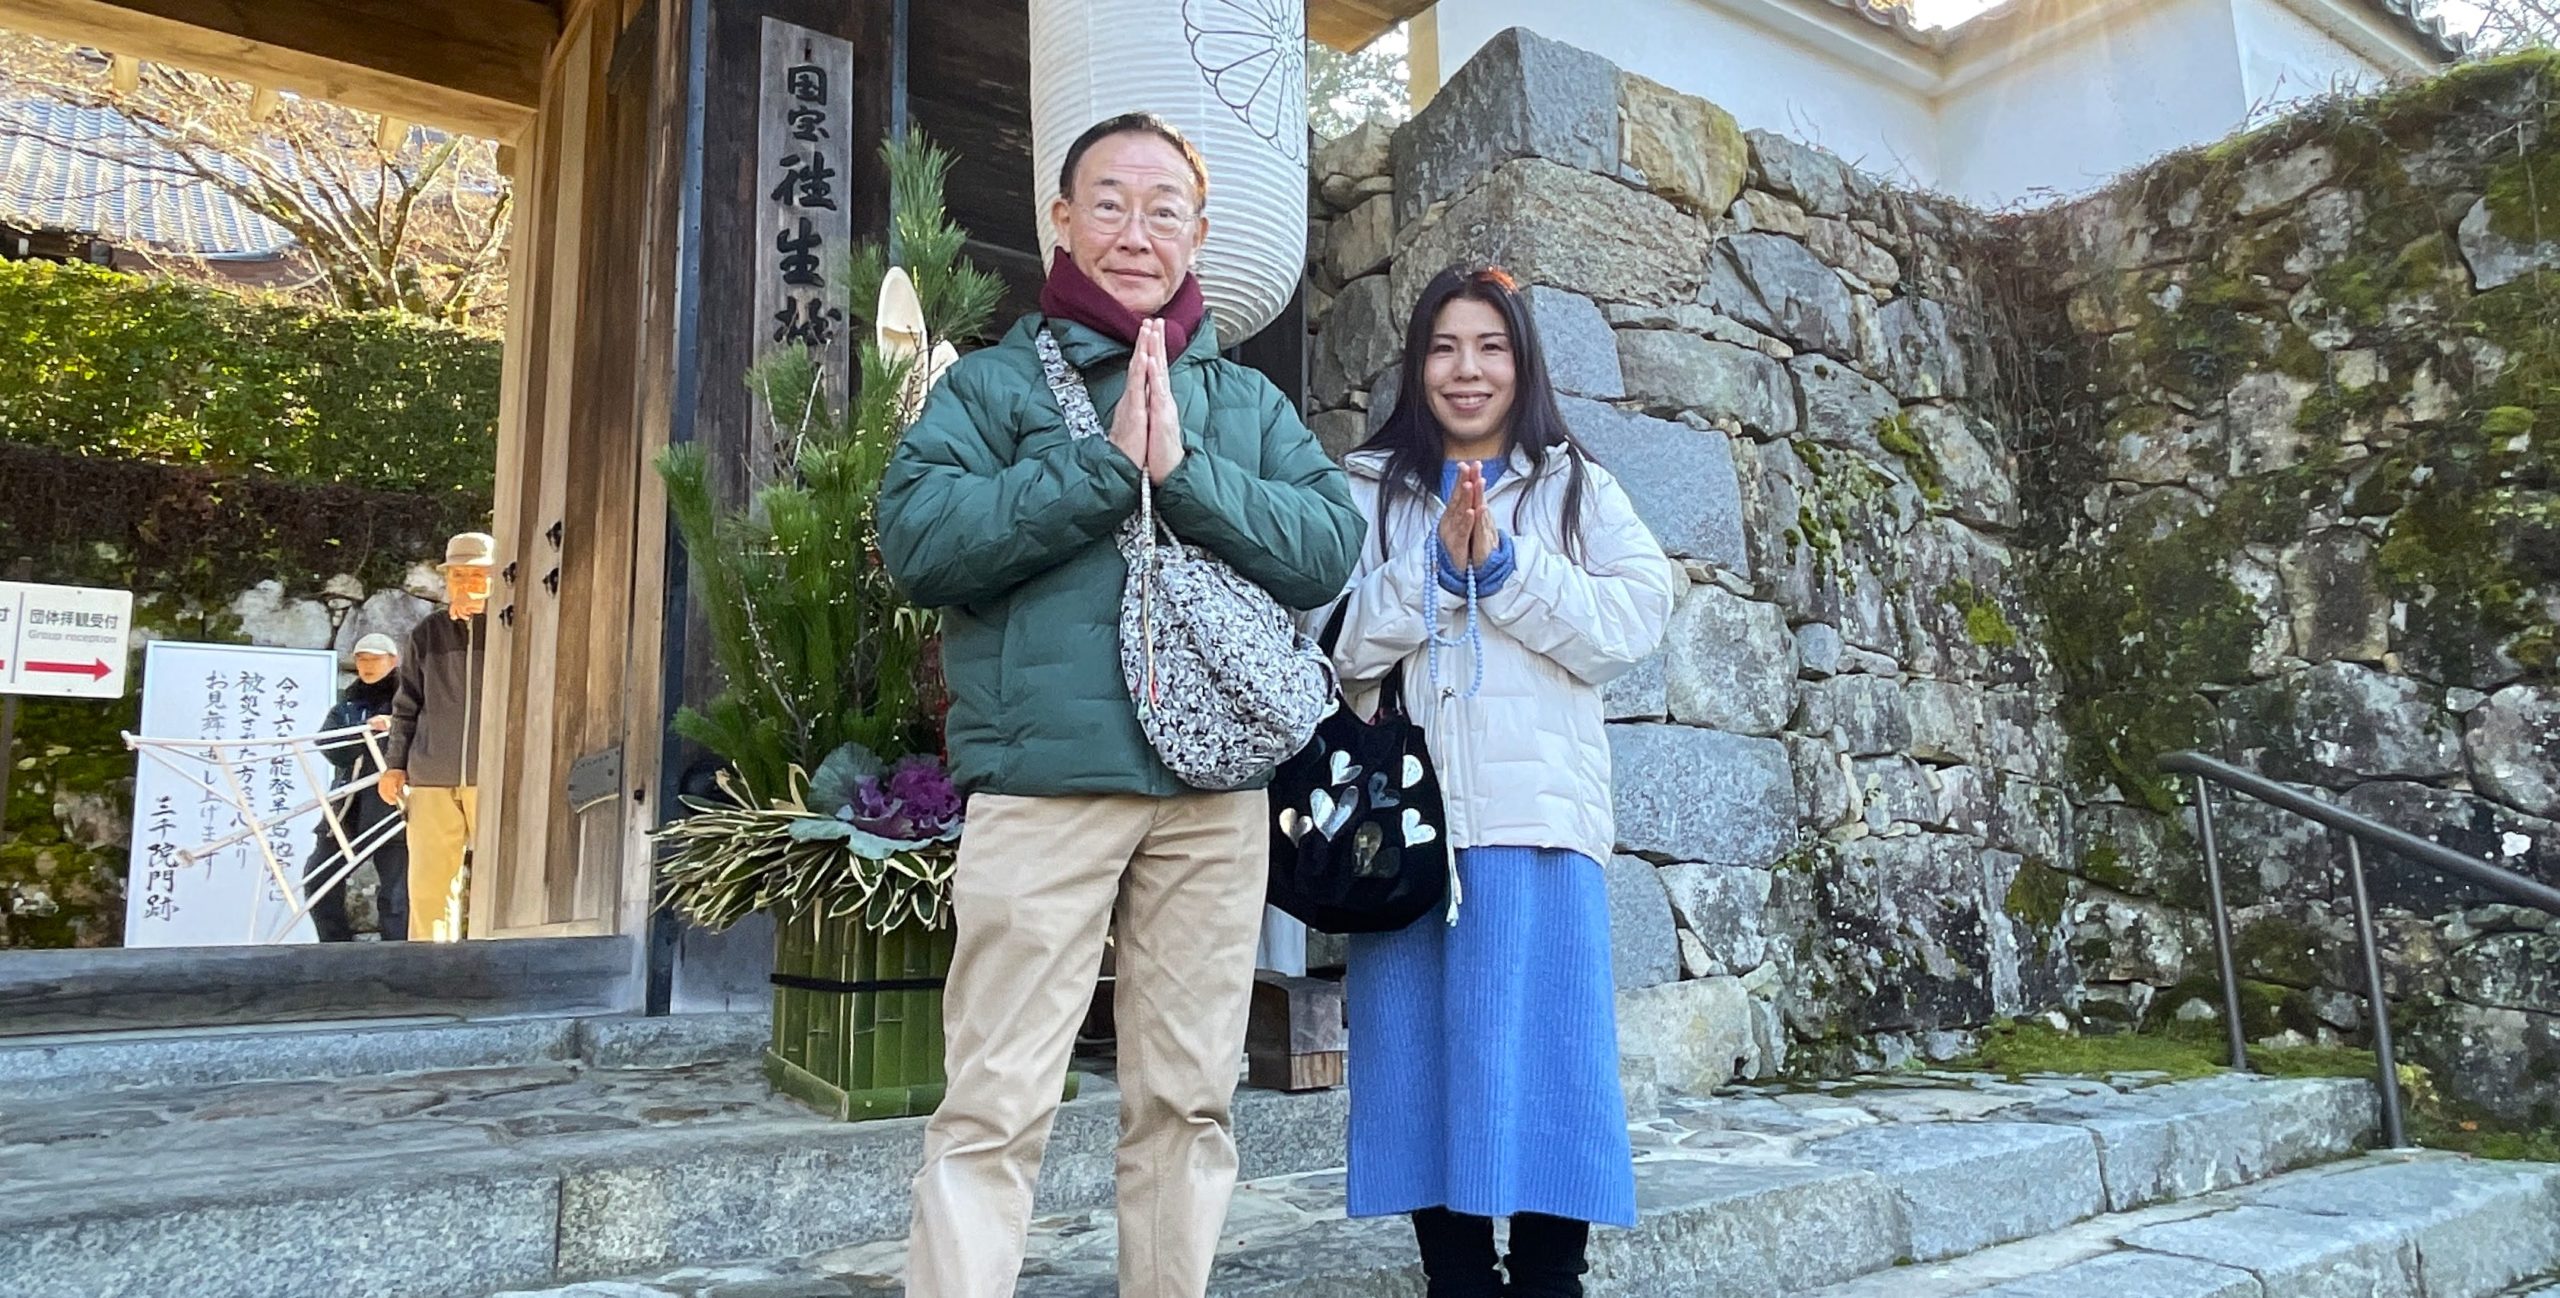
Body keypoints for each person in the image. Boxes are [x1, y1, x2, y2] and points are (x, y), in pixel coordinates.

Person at [876, 112, 1362, 1298]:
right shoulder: (991, 386)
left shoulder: (1244, 401)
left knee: (1189, 1098)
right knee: (995, 1097)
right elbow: (918, 539)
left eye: (1162, 208)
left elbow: (1326, 544)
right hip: (1044, 783)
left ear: (1197, 232)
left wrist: (1184, 474)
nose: (1134, 231)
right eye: (1108, 202)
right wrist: (1102, 468)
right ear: (1061, 219)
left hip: (1214, 793)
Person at [1323, 266, 1677, 1298]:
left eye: (1489, 346)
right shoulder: (1369, 487)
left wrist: (1503, 569)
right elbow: (1331, 640)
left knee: (1552, 1059)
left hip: (1538, 820)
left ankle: (1553, 1276)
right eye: (1443, 347)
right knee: (1422, 1061)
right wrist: (1431, 570)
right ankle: (1458, 1276)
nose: (1465, 369)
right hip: (1407, 833)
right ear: (1415, 364)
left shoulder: (1574, 486)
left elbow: (1631, 621)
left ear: (1522, 362)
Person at [380, 531, 493, 942]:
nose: (467, 583)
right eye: (458, 575)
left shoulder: (516, 628)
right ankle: (430, 967)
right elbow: (406, 703)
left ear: (497, 578)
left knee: (500, 883)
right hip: (430, 775)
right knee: (429, 886)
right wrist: (395, 765)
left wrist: (488, 619)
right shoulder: (426, 633)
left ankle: (498, 962)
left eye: (477, 575)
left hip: (493, 774)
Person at [301, 632, 407, 942]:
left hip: (392, 807)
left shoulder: (408, 701)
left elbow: (421, 737)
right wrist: (363, 733)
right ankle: (335, 948)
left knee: (396, 895)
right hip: (346, 807)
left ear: (393, 661)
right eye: (362, 659)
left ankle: (398, 957)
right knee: (318, 878)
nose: (368, 665)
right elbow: (331, 748)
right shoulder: (347, 705)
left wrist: (392, 727)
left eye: (375, 659)